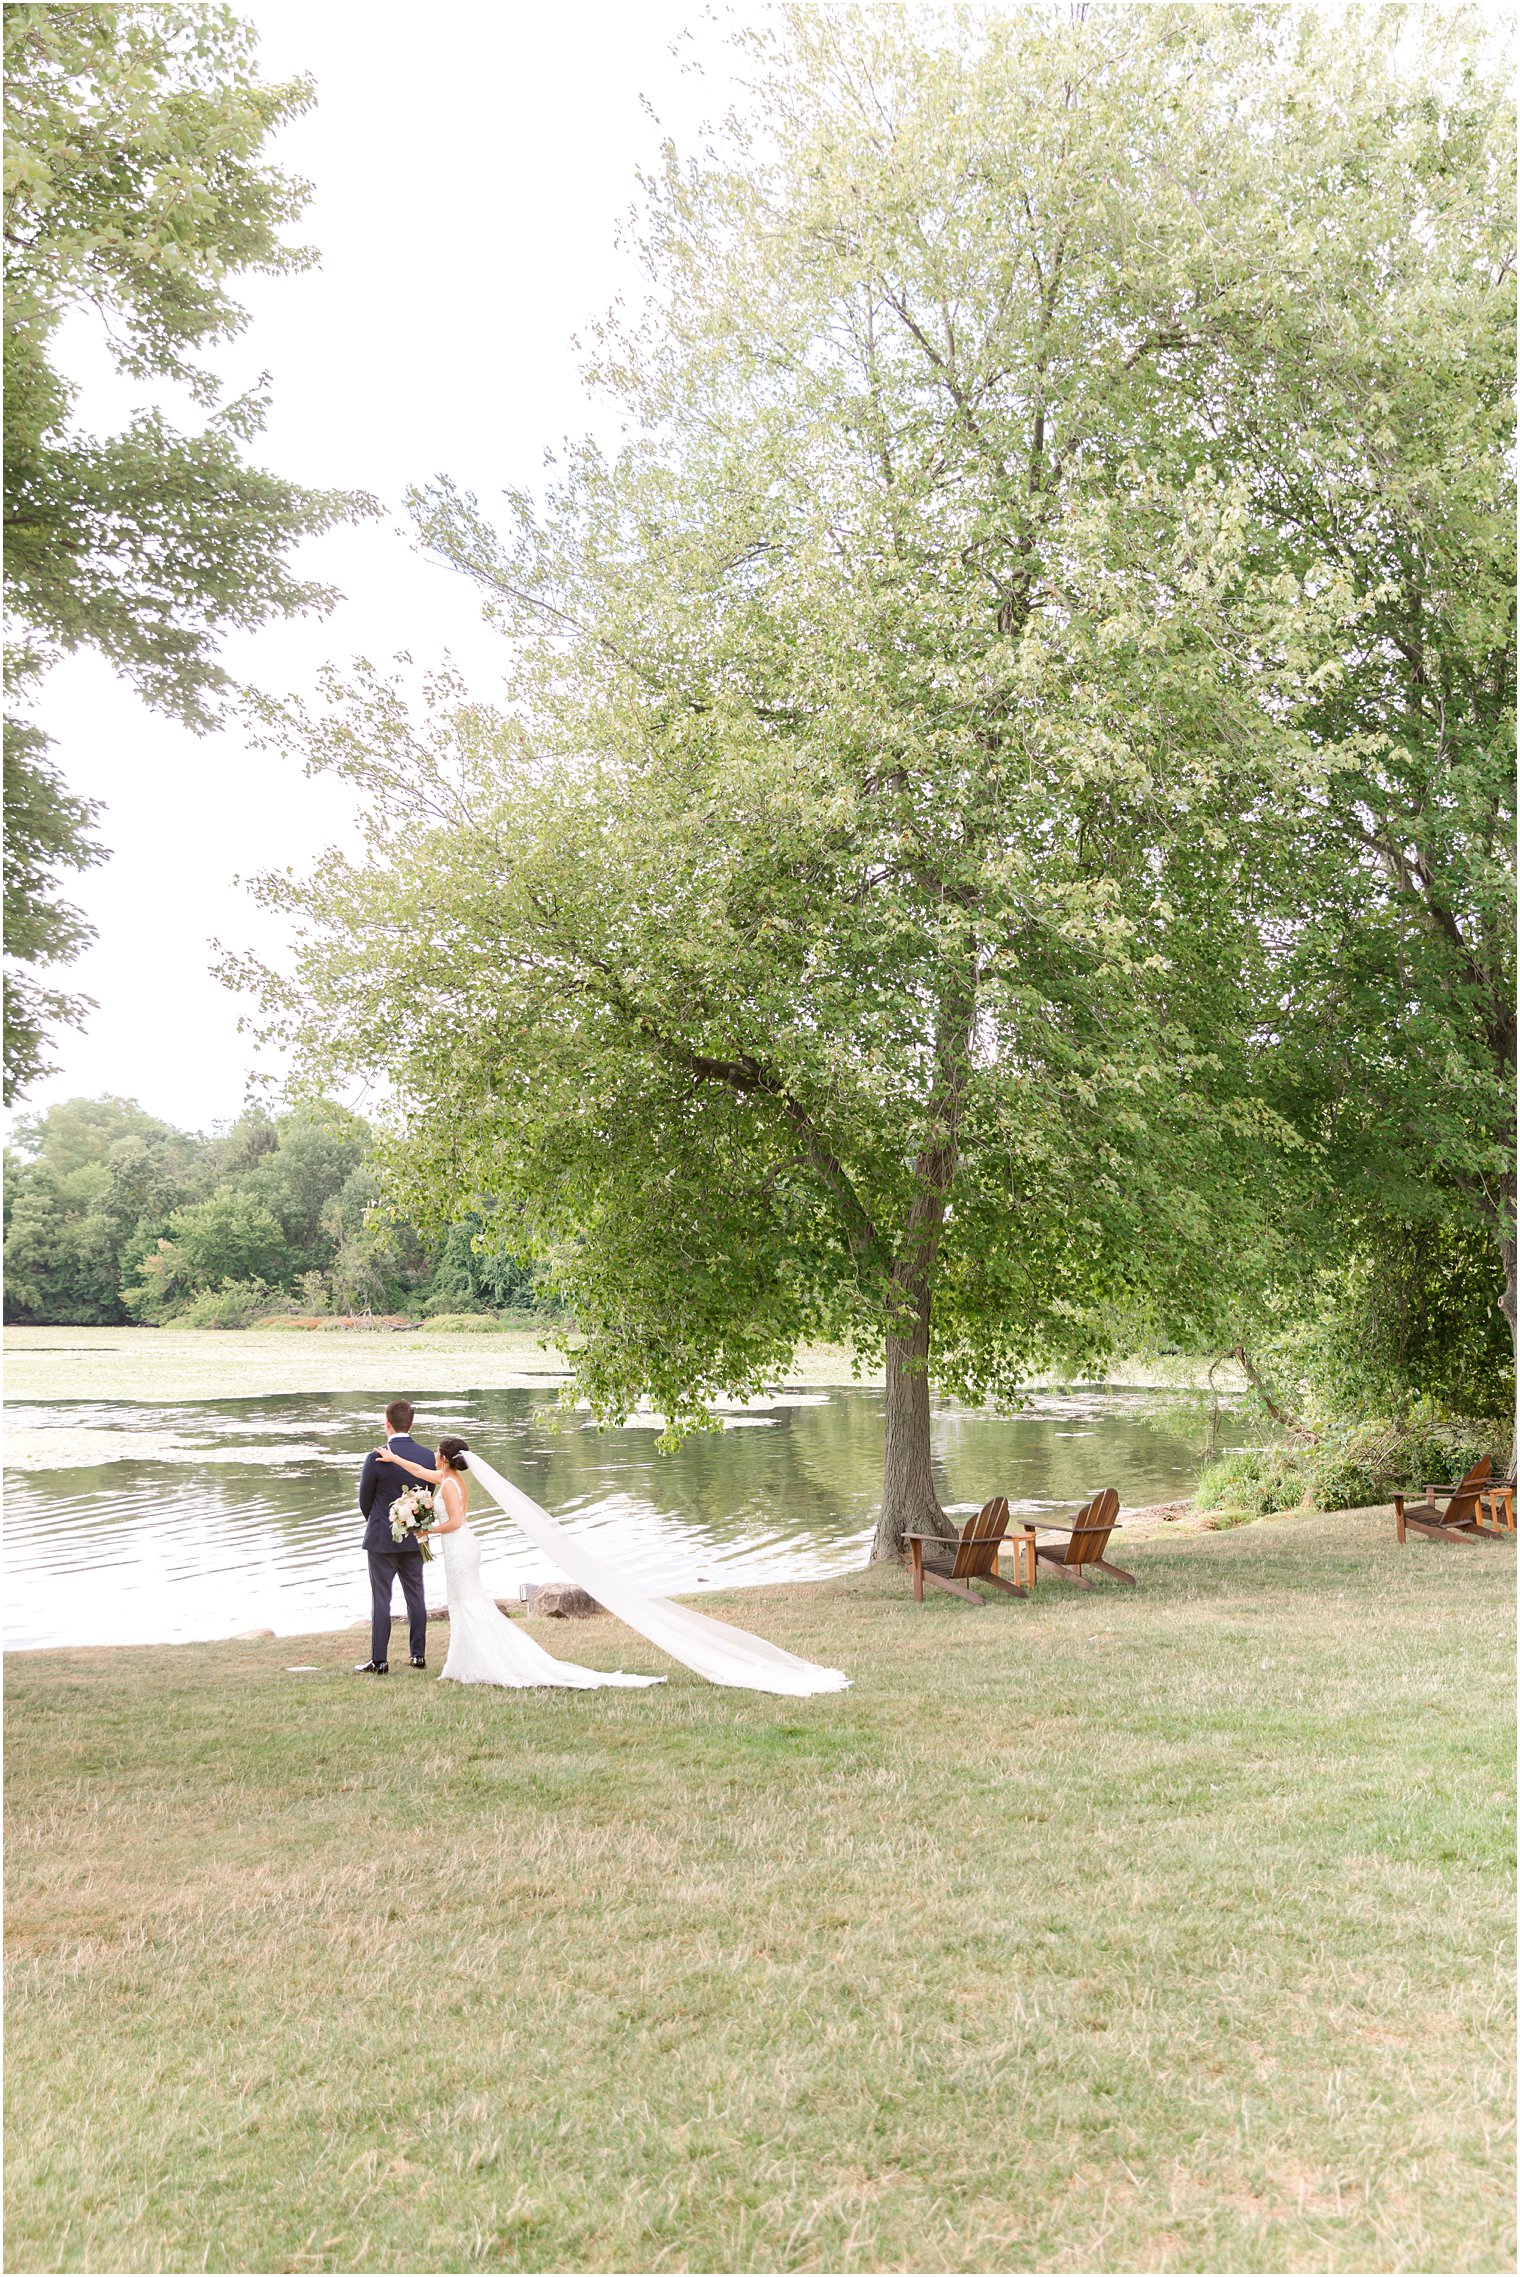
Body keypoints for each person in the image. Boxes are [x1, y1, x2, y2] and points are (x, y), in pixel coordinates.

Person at [374, 1435, 662, 1690]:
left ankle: (481, 1663)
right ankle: (464, 1662)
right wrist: (393, 1458)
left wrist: (428, 1531)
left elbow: (456, 1522)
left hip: (460, 1547)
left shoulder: (449, 1485)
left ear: (445, 1459)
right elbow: (419, 1470)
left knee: (469, 1604)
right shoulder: (449, 1479)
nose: (433, 1456)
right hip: (461, 1548)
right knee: (465, 1604)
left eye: (437, 1452)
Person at [354, 1399, 434, 1674]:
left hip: (381, 1539)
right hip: (415, 1538)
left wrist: (378, 1523)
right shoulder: (427, 1457)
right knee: (416, 1595)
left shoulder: (375, 1456)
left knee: (381, 1599)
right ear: (411, 1424)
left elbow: (365, 1500)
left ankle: (379, 1660)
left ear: (387, 1423)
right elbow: (428, 1499)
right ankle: (418, 1655)